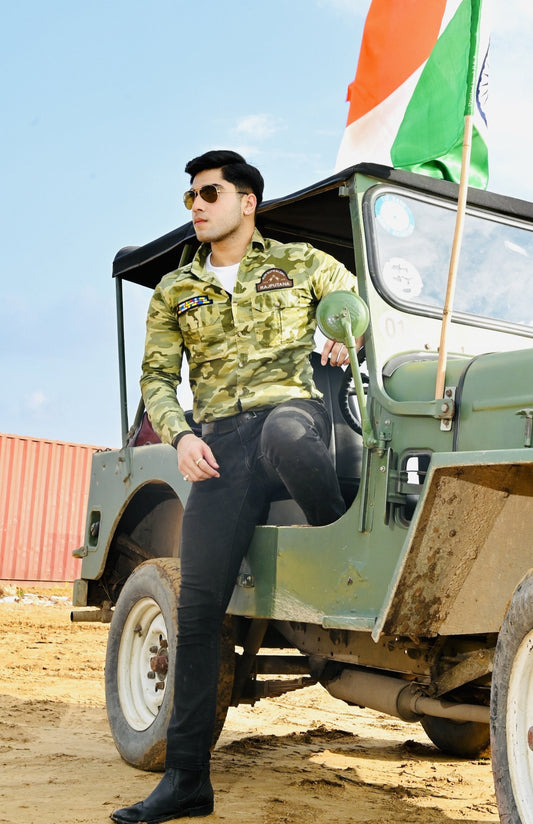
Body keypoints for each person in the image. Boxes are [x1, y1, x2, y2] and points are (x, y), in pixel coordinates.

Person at [111, 150, 359, 824]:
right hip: (218, 447)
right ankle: (187, 780)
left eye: (210, 193)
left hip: (294, 420)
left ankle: (339, 541)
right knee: (196, 615)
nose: (196, 204)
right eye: (190, 195)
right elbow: (157, 379)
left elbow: (349, 300)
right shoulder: (175, 290)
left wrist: (346, 334)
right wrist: (180, 435)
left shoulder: (299, 261)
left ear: (246, 202)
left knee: (285, 430)